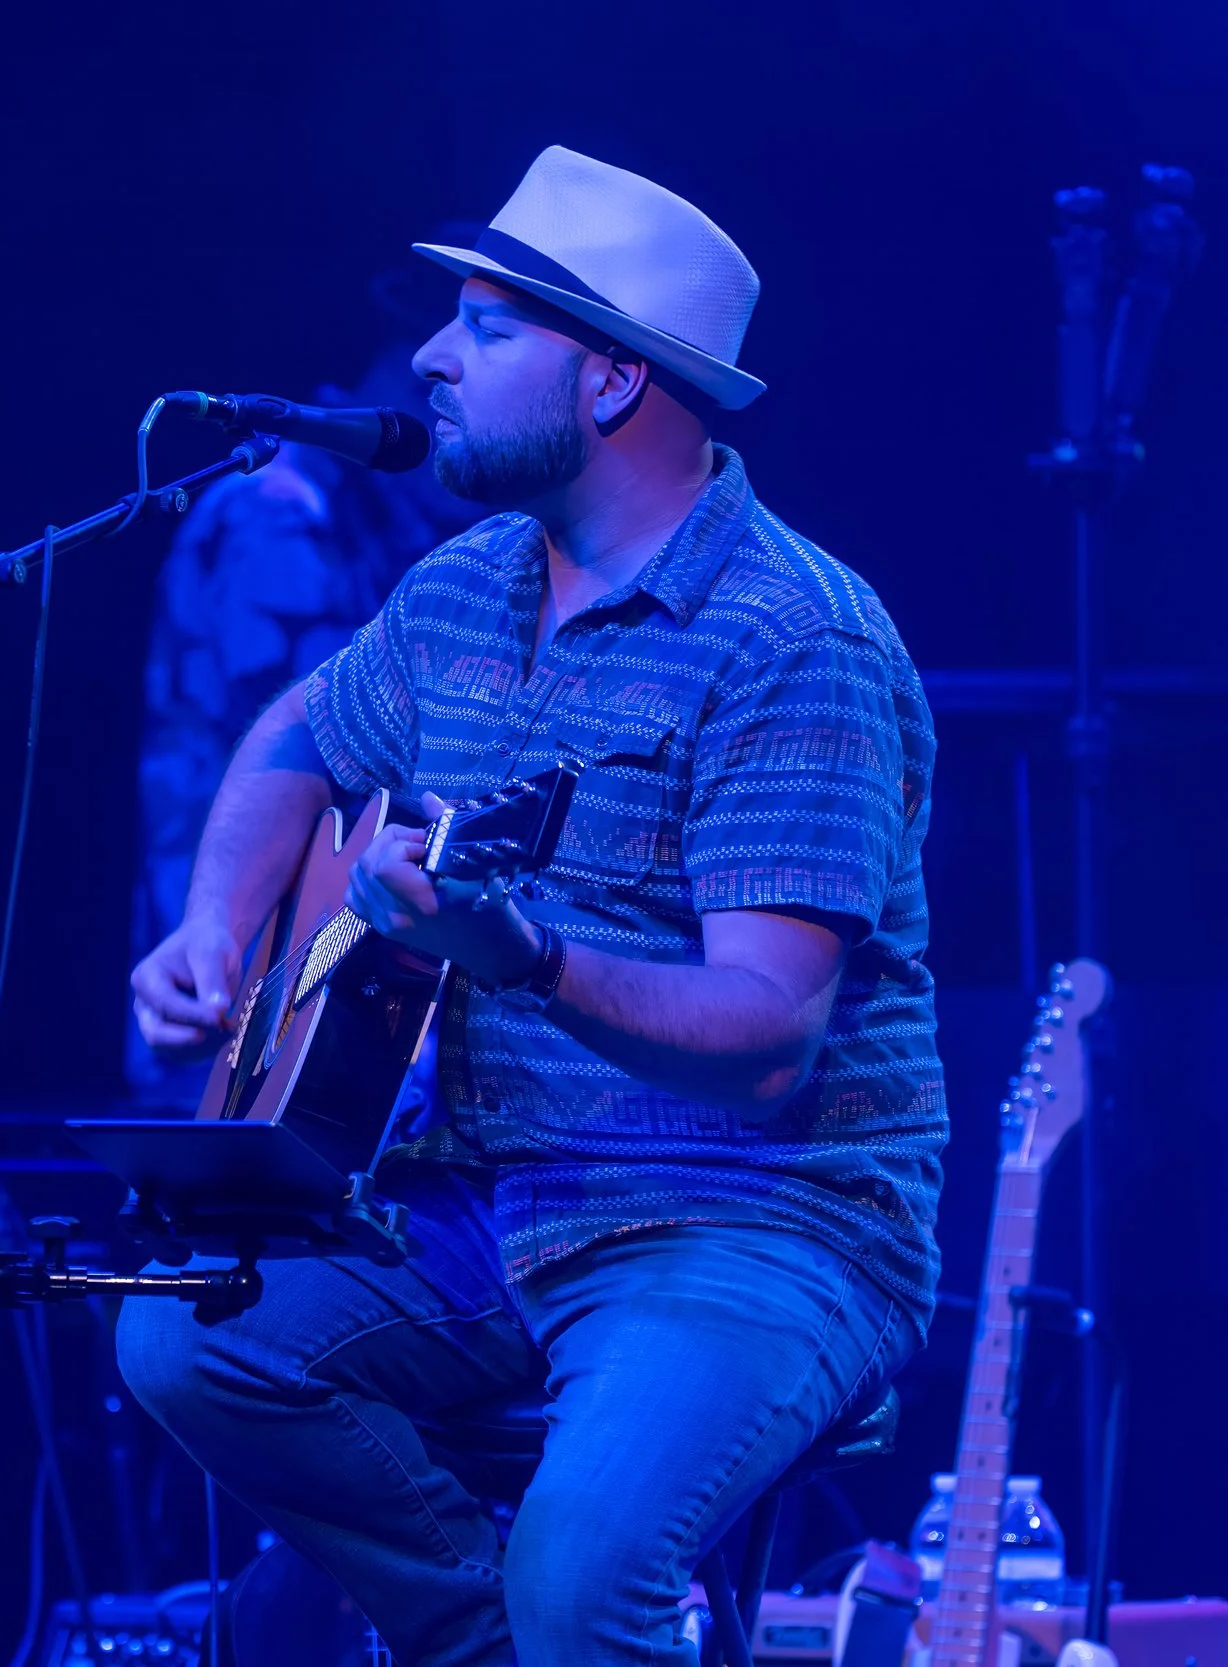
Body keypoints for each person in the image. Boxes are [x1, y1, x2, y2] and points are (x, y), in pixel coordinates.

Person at [119, 147, 944, 1664]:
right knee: (182, 1337)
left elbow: (767, 1039)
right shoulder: (467, 583)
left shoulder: (794, 638)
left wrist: (526, 954)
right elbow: (302, 734)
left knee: (589, 1570)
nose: (432, 356)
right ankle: (476, 1640)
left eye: (488, 328)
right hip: (491, 1196)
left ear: (615, 381)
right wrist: (212, 925)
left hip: (754, 1216)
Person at [130, 269, 480, 1105]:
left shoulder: (386, 521)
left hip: (310, 949)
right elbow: (343, 759)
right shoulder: (280, 510)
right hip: (245, 954)